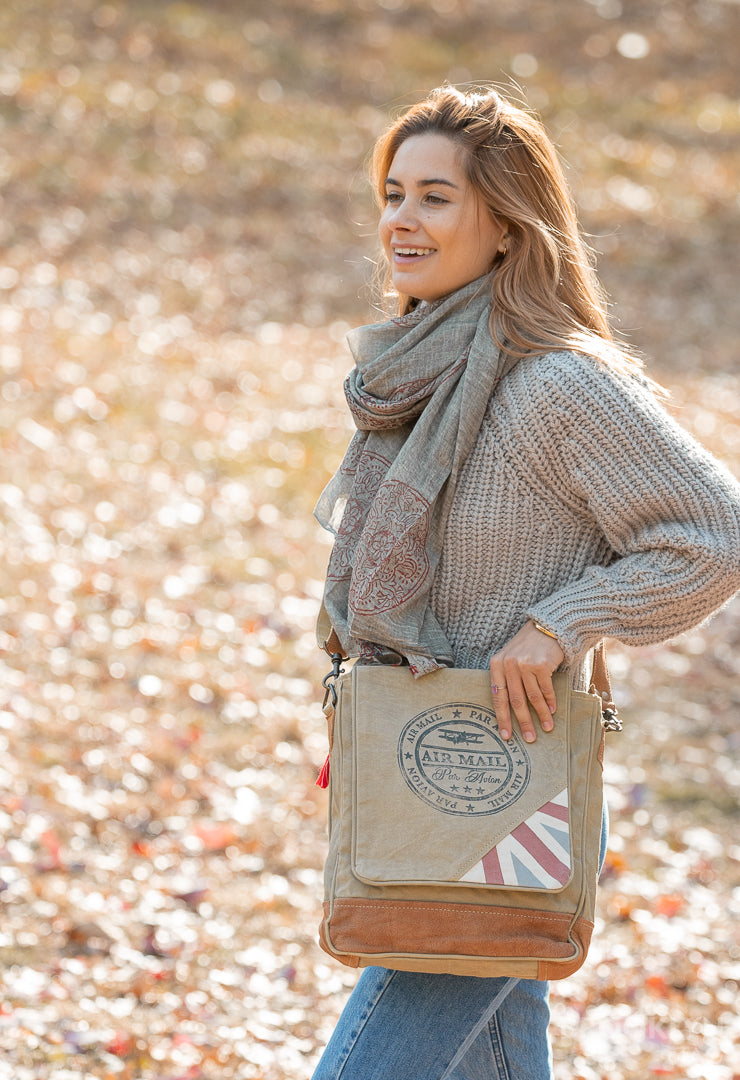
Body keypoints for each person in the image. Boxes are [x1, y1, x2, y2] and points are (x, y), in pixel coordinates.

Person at [310, 84, 740, 1080]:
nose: (400, 220)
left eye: (434, 198)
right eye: (391, 193)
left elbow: (711, 532)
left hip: (510, 805)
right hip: (423, 780)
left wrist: (563, 622)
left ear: (506, 225)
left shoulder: (558, 383)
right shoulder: (411, 379)